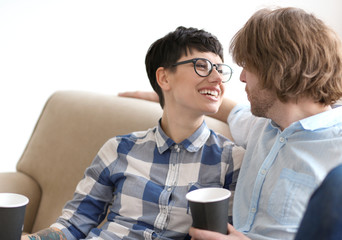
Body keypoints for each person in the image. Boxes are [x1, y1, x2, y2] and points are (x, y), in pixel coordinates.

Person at [120, 7, 342, 240]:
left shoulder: (336, 149)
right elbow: (226, 107)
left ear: (278, 68)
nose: (242, 77)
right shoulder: (260, 125)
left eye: (248, 66)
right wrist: (166, 91)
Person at [22, 26, 244, 240]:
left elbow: (225, 233)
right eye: (203, 66)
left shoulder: (231, 160)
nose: (217, 78)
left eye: (221, 70)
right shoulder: (119, 149)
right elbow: (73, 224)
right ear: (164, 78)